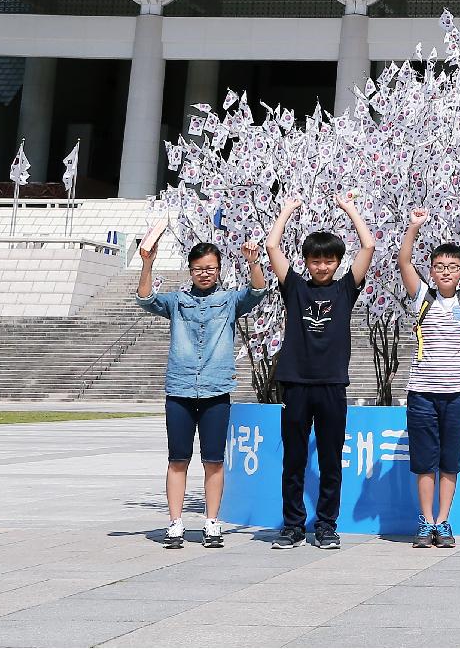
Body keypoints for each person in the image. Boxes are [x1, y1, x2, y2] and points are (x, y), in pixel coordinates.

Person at [135, 225, 267, 550]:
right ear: (190, 270)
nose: (204, 274)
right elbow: (145, 299)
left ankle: (211, 522)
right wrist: (148, 263)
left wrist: (253, 262)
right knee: (177, 459)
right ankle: (176, 523)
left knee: (214, 460)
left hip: (216, 391)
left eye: (210, 268)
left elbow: (258, 292)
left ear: (219, 269)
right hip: (179, 390)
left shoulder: (229, 301)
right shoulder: (178, 301)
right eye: (198, 269)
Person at [266, 191, 374, 551]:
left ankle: (326, 524)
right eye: (316, 260)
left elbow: (369, 246)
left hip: (331, 385)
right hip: (295, 384)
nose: (322, 266)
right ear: (307, 262)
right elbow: (271, 246)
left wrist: (350, 208)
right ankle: (293, 525)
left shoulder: (346, 289)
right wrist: (286, 210)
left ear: (338, 263)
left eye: (329, 260)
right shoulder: (295, 287)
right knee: (293, 459)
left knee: (330, 459)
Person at [395, 207, 460, 549]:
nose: (445, 272)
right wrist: (413, 227)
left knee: (449, 461)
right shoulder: (421, 297)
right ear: (432, 270)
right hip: (422, 392)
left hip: (458, 393)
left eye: (453, 267)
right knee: (425, 461)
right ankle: (425, 523)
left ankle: (444, 521)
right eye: (439, 267)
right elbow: (403, 262)